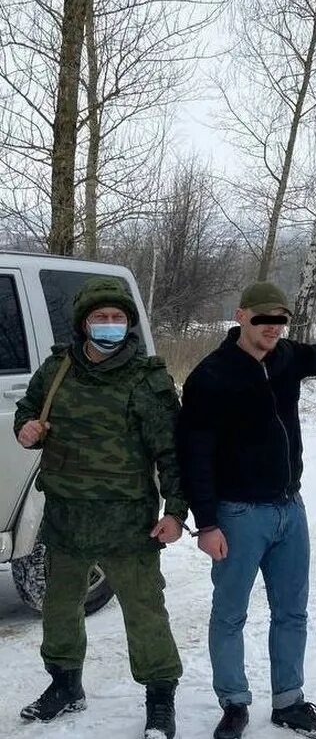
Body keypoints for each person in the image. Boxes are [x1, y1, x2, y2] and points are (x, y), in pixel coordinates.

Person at [177, 282, 316, 739]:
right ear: (241, 316)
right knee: (229, 615)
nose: (273, 328)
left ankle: (289, 703)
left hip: (289, 510)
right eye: (263, 319)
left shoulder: (286, 358)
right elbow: (194, 454)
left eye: (281, 320)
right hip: (238, 515)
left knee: (292, 612)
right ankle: (234, 703)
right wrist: (207, 524)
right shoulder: (211, 376)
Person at [14, 276, 187, 739]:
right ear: (83, 323)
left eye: (117, 318)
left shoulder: (147, 380)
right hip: (66, 516)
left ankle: (160, 699)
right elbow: (28, 411)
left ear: (128, 324)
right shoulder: (57, 370)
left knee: (144, 611)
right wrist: (26, 429)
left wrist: (175, 513)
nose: (109, 324)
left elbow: (172, 454)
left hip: (127, 522)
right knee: (60, 607)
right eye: (99, 317)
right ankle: (65, 686)